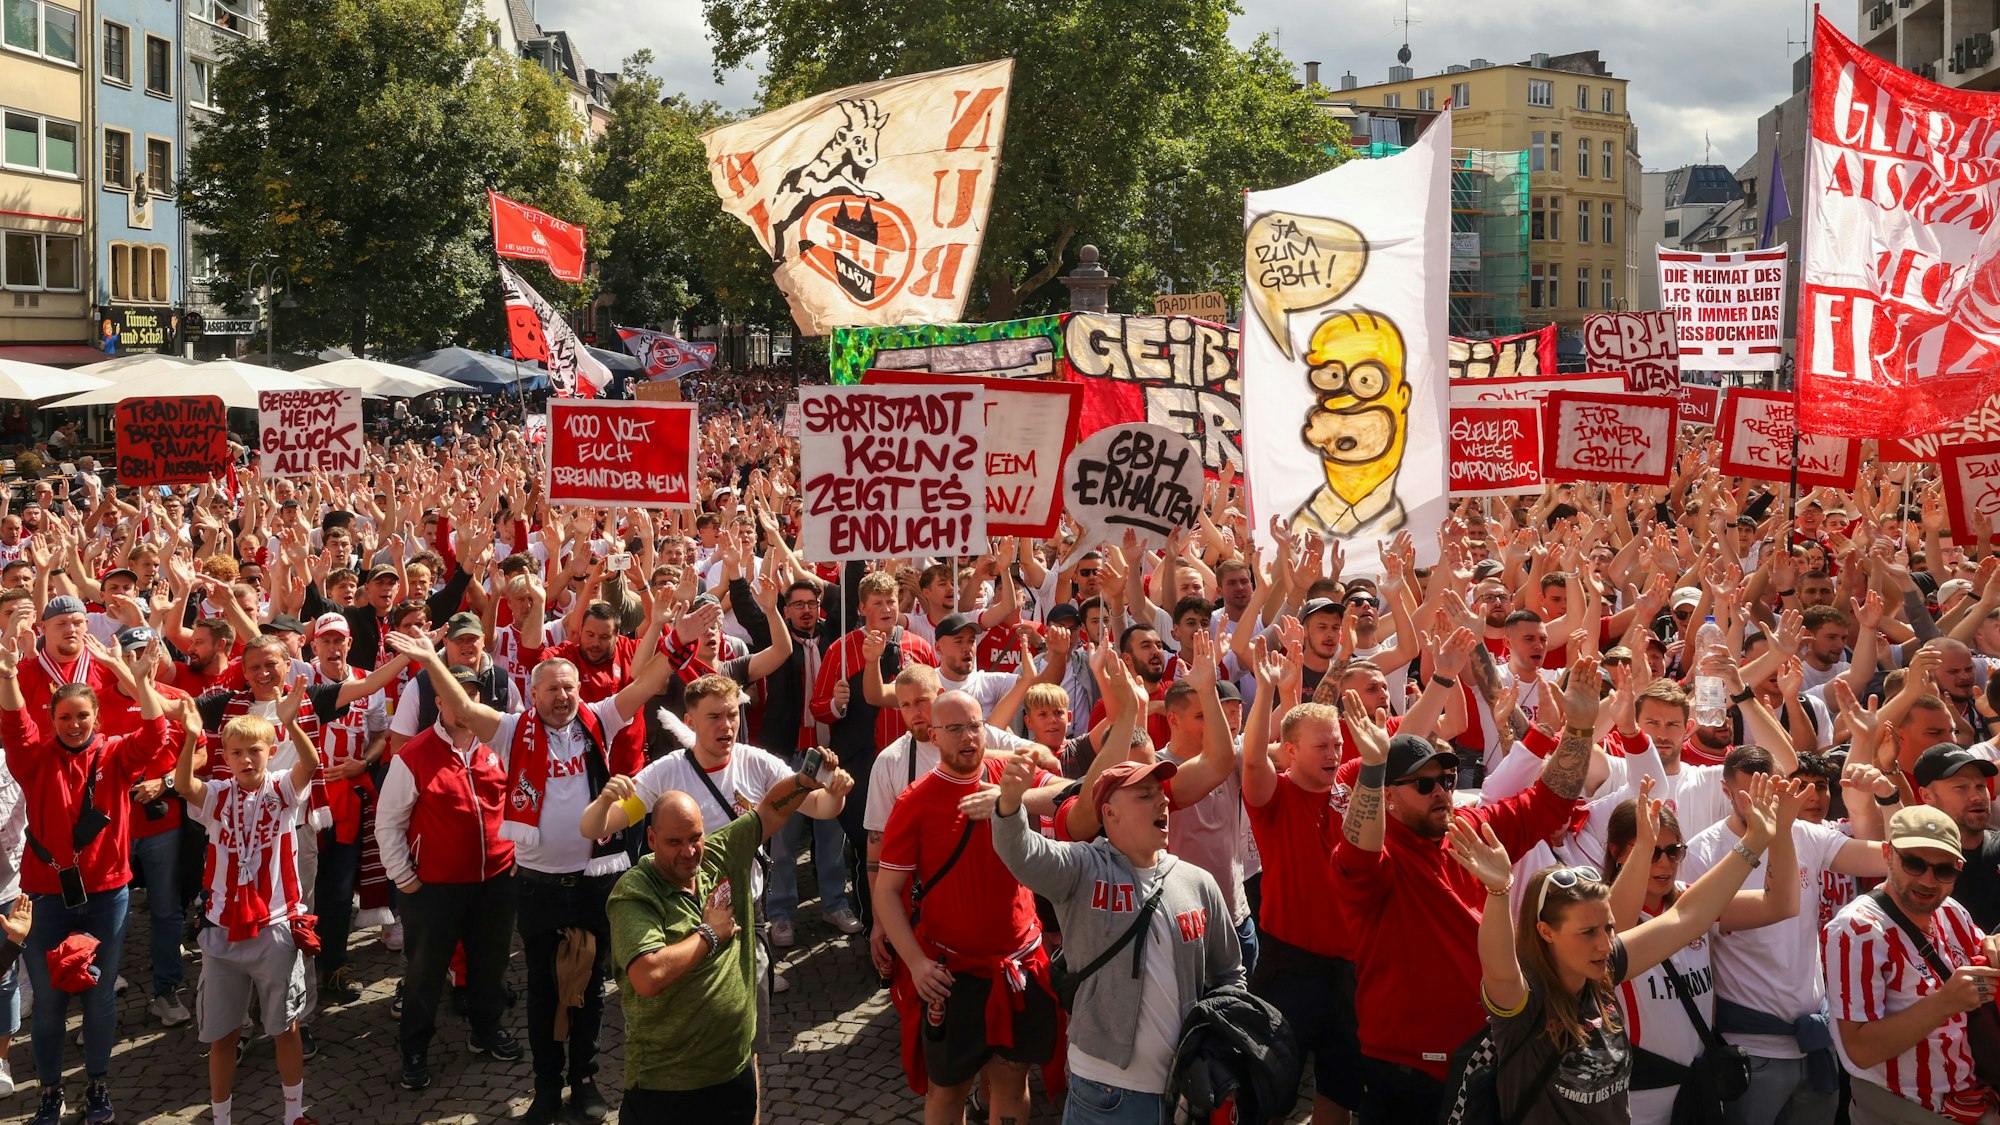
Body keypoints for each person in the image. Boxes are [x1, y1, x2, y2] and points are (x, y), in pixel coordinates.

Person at [393, 616, 677, 1125]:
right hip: (537, 886)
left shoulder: (600, 717)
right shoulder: (509, 730)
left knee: (589, 987)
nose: (562, 696)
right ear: (533, 693)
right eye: (551, 689)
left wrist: (680, 633)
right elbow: (459, 706)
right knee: (544, 990)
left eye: (569, 687)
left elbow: (648, 683)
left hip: (594, 882)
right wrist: (432, 659)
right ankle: (547, 1088)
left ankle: (585, 1079)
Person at [1334, 653, 1602, 1123]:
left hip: (1487, 1056)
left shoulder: (1469, 828)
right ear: (1389, 799)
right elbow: (1359, 849)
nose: (1441, 791)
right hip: (1407, 1075)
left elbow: (1548, 804)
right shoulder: (1378, 857)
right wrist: (1373, 768)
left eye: (1447, 778)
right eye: (1423, 784)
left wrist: (1579, 728)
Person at [1446, 772, 1788, 1125]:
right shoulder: (1525, 1002)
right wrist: (1499, 892)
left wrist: (1754, 841)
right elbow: (1498, 968)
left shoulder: (1604, 968)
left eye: (1608, 928)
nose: (1604, 942)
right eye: (1587, 932)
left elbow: (1689, 916)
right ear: (1545, 932)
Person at [989, 751, 1245, 1124]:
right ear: (1109, 814)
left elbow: (1230, 975)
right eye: (1144, 795)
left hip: (1184, 1094)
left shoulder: (1198, 883)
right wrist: (1009, 804)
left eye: (1161, 793)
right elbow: (1021, 853)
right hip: (1102, 1092)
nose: (1162, 801)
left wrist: (1217, 1048)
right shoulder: (1081, 868)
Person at [607, 754, 852, 1124]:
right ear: (652, 838)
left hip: (733, 1073)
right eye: (674, 842)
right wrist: (709, 935)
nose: (689, 852)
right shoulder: (635, 893)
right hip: (669, 1088)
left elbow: (770, 808)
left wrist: (806, 779)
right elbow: (647, 975)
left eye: (695, 838)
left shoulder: (718, 854)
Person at [0, 631, 176, 1125]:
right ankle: (51, 1093)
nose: (74, 725)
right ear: (51, 720)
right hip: (43, 897)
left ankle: (98, 1087)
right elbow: (14, 726)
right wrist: (11, 676)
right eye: (65, 717)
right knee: (51, 1001)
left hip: (106, 895)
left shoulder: (117, 753)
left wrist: (139, 683)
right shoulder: (34, 758)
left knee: (98, 995)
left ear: (96, 717)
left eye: (82, 716)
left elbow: (157, 736)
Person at [873, 690, 1065, 1125]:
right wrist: (917, 965)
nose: (968, 737)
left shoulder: (1006, 775)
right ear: (934, 737)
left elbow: (1068, 791)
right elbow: (886, 892)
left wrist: (1009, 798)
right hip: (951, 974)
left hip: (1018, 963)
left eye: (974, 725)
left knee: (1012, 1082)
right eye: (955, 728)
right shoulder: (915, 802)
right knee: (948, 1091)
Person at [1681, 745, 1894, 1125]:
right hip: (1750, 1048)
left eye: (1774, 790)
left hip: (1815, 1042)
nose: (1766, 804)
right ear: (1726, 792)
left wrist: (1889, 799)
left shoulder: (1808, 835)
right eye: (1752, 795)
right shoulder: (1702, 853)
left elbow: (1889, 859)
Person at [1604, 779, 1809, 1125]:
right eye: (1651, 850)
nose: (1665, 863)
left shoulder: (1688, 898)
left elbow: (1782, 904)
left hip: (1700, 1087)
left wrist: (1782, 831)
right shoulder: (1602, 913)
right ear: (1616, 852)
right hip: (1640, 1095)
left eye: (1674, 851)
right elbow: (1616, 931)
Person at [174, 704, 322, 1125]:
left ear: (271, 751)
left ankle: (294, 1114)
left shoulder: (281, 789)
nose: (246, 759)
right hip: (222, 930)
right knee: (223, 1036)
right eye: (236, 752)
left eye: (255, 750)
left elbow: (309, 763)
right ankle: (222, 1118)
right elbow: (185, 784)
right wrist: (189, 737)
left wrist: (292, 722)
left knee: (285, 1027)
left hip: (274, 928)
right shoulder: (218, 794)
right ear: (225, 758)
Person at [1824, 805, 2000, 1125]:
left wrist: (1994, 944)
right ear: (1888, 855)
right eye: (1914, 864)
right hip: (1900, 1106)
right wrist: (1946, 1002)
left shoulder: (1950, 912)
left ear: (1959, 868)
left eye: (1944, 871)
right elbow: (1859, 1050)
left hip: (1964, 1100)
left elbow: (1983, 948)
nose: (1928, 881)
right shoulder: (1857, 930)